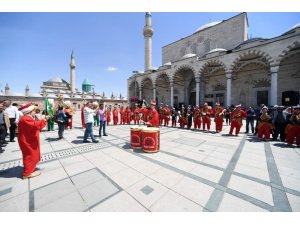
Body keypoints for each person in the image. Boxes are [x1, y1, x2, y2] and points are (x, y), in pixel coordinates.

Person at [18, 103, 50, 179]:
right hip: (27, 141)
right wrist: (45, 119)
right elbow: (35, 125)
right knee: (29, 155)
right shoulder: (25, 118)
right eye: (34, 111)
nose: (35, 112)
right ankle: (27, 173)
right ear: (29, 111)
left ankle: (30, 168)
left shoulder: (26, 117)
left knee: (32, 155)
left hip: (30, 140)